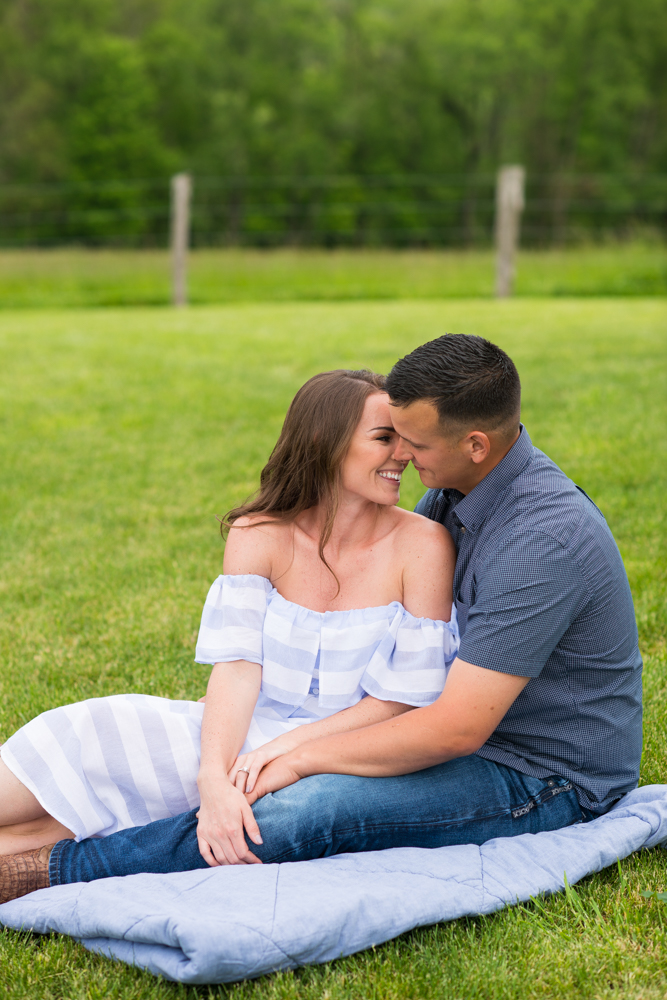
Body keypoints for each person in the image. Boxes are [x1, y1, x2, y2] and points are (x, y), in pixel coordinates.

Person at [0, 334, 642, 903]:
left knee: (303, 812)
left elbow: (453, 728)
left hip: (545, 776)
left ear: (475, 444)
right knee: (165, 759)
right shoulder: (457, 491)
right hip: (464, 737)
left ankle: (51, 871)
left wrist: (303, 757)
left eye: (414, 443)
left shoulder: (541, 540)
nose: (406, 458)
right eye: (391, 438)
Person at [0, 368, 459, 900]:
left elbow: (402, 701)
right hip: (233, 735)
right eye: (384, 438)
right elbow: (237, 671)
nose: (403, 453)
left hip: (335, 757)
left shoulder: (424, 546)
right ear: (325, 444)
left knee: (133, 811)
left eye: (404, 439)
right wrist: (213, 777)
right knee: (93, 732)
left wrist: (284, 754)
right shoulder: (259, 533)